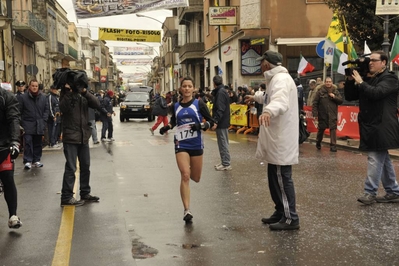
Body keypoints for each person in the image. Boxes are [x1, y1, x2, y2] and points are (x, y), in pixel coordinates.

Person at [246, 50, 300, 230]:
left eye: (262, 63)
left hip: (281, 139)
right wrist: (255, 97)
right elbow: (269, 97)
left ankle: (291, 217)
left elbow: (280, 101)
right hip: (276, 138)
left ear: (267, 64)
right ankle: (280, 210)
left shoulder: (281, 80)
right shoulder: (274, 80)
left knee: (282, 178)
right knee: (274, 177)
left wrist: (269, 110)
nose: (261, 66)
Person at [344, 51, 399, 205]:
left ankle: (370, 192)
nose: (370, 63)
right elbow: (350, 96)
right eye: (369, 61)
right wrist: (350, 79)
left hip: (383, 125)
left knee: (375, 157)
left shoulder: (390, 78)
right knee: (384, 159)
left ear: (384, 62)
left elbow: (376, 93)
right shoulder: (369, 78)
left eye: (374, 60)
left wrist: (361, 82)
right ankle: (393, 192)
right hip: (370, 125)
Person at [158, 77, 215, 223]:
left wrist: (201, 126)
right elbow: (174, 121)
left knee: (195, 177)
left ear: (194, 88)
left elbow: (212, 123)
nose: (187, 89)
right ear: (181, 89)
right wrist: (167, 127)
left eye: (190, 86)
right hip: (181, 143)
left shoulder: (199, 103)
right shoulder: (176, 105)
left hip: (196, 143)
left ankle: (187, 187)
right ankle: (187, 210)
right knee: (185, 174)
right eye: (184, 86)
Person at [56, 69, 101, 206]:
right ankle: (66, 197)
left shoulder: (83, 95)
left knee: (85, 166)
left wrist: (84, 92)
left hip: (83, 136)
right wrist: (69, 92)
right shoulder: (65, 95)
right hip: (71, 136)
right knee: (71, 167)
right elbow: (63, 108)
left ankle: (85, 193)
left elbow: (96, 104)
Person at [0, 87, 23, 228]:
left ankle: (13, 215)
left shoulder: (6, 97)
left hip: (3, 144)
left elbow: (14, 119)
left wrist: (15, 142)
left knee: (8, 178)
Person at [18, 79, 49, 169]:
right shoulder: (23, 97)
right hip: (27, 124)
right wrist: (22, 123)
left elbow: (46, 110)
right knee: (28, 142)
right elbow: (19, 110)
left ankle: (36, 160)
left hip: (39, 123)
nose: (34, 87)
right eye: (33, 86)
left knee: (38, 143)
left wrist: (44, 120)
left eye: (36, 86)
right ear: (29, 86)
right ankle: (27, 160)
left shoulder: (43, 97)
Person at [312, 77, 343, 152]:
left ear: (332, 82)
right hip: (323, 114)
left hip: (332, 114)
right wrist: (315, 114)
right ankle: (318, 142)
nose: (328, 83)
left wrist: (334, 97)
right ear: (325, 83)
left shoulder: (335, 91)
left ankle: (333, 146)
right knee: (321, 130)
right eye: (327, 82)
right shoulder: (320, 92)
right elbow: (315, 103)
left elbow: (340, 101)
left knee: (333, 130)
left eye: (329, 82)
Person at [211, 75, 232, 171]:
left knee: (223, 142)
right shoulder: (222, 91)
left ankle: (226, 163)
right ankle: (224, 161)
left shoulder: (220, 93)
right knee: (222, 142)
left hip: (222, 121)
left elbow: (220, 108)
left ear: (214, 83)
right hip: (223, 120)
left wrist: (215, 121)